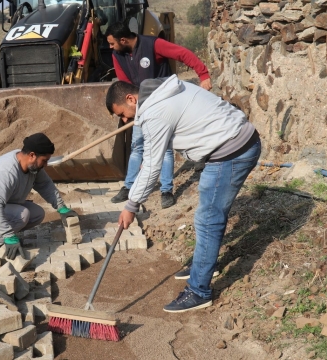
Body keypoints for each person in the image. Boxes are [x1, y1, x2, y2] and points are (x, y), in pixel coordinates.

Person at [106, 76, 261, 312]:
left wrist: (132, 204)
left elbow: (151, 166)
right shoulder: (167, 89)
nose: (125, 120)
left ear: (131, 98)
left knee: (208, 219)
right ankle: (205, 265)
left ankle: (199, 291)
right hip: (237, 141)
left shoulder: (155, 111)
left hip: (232, 151)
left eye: (122, 114)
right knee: (206, 215)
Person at [105, 22, 212, 208]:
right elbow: (124, 83)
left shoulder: (153, 44)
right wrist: (131, 109)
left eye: (112, 43)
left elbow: (182, 54)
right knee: (137, 145)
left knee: (166, 148)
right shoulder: (117, 55)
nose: (110, 47)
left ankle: (166, 189)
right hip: (140, 106)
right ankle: (129, 186)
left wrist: (203, 74)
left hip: (164, 104)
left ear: (123, 40)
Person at [0, 133, 78, 260]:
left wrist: (61, 208)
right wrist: (8, 235)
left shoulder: (30, 164)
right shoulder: (6, 172)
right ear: (32, 155)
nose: (46, 165)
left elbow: (45, 185)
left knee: (37, 213)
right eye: (44, 160)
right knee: (22, 215)